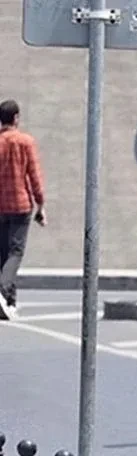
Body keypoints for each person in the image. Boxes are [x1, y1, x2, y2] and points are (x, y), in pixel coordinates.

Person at [0, 99, 47, 320]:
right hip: (20, 205)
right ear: (16, 118)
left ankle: (8, 303)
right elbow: (34, 176)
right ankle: (2, 289)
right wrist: (41, 204)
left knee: (3, 254)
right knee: (15, 252)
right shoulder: (26, 142)